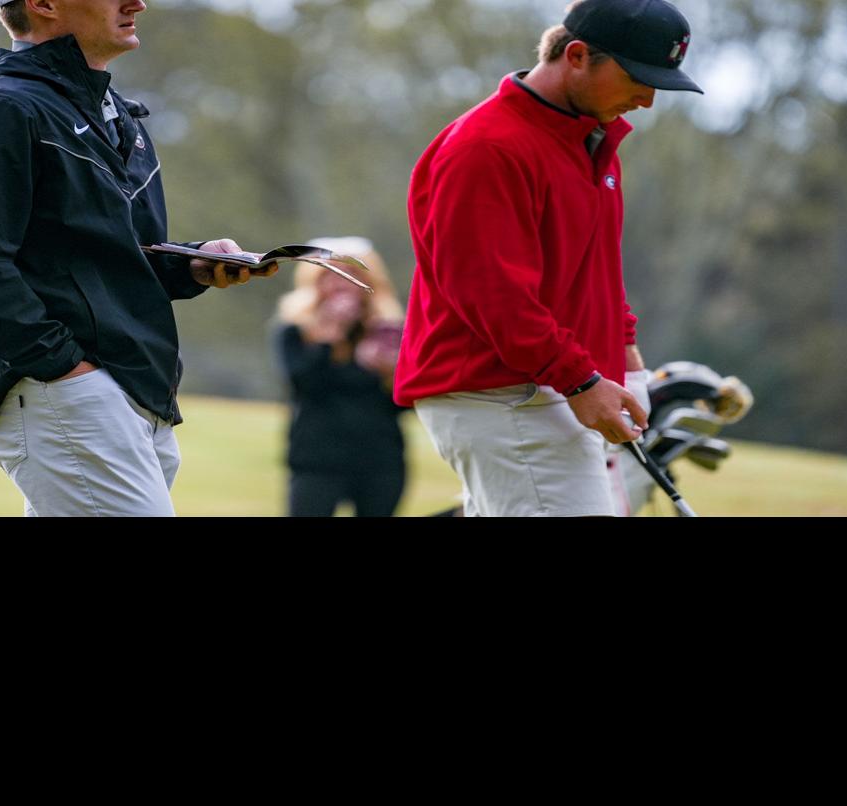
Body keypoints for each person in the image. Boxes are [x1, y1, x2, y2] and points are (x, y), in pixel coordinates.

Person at [0, 0, 275, 516]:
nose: (137, 2)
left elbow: (113, 253)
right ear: (43, 4)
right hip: (60, 386)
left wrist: (189, 263)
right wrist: (64, 369)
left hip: (131, 383)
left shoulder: (115, 114)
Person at [392, 0, 701, 517]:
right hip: (500, 393)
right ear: (577, 55)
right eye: (636, 79)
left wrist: (628, 366)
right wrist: (582, 380)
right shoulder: (487, 147)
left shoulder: (591, 142)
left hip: (544, 386)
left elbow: (597, 274)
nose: (647, 100)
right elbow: (492, 294)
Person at [272, 237, 409, 517]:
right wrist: (328, 336)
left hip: (380, 459)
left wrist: (389, 371)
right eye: (330, 276)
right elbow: (303, 385)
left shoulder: (390, 331)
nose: (340, 285)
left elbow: (405, 404)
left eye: (351, 276)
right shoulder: (294, 330)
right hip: (316, 458)